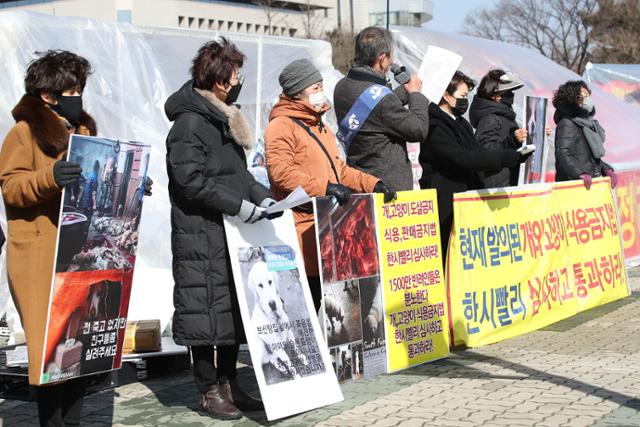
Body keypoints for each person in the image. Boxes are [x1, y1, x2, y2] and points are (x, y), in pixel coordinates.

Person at [0, 50, 151, 427]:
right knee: (50, 348)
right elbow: (10, 186)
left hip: (77, 255)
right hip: (39, 255)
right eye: (73, 89)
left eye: (80, 89)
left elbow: (98, 183)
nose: (79, 97)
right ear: (49, 95)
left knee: (80, 346)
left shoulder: (82, 133)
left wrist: (132, 187)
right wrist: (49, 177)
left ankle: (74, 421)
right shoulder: (23, 132)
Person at [165, 38, 278, 420]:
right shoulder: (190, 123)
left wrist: (263, 198)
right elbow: (189, 181)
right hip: (201, 233)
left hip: (230, 231)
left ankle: (230, 383)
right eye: (235, 74)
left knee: (231, 311)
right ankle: (208, 389)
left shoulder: (223, 118)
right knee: (204, 313)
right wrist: (238, 205)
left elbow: (239, 175)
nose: (239, 80)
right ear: (219, 80)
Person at [265, 58, 395, 311]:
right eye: (314, 88)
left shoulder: (319, 125)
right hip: (302, 229)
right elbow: (281, 172)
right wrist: (324, 188)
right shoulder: (281, 125)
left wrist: (372, 183)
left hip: (330, 229)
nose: (320, 92)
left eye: (320, 86)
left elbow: (340, 170)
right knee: (310, 303)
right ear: (296, 92)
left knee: (333, 306)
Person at [419, 71, 529, 256]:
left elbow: (480, 152)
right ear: (446, 95)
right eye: (462, 96)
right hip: (445, 204)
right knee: (448, 254)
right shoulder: (434, 126)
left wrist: (513, 152)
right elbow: (462, 158)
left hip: (466, 199)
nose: (465, 101)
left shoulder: (462, 123)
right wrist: (505, 158)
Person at [334, 27, 429, 191]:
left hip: (359, 180)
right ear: (381, 58)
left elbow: (374, 112)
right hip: (387, 187)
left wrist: (404, 91)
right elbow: (418, 129)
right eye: (391, 56)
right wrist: (415, 95)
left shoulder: (341, 87)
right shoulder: (383, 101)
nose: (392, 62)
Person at [553, 80, 618, 190]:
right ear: (572, 99)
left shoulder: (586, 124)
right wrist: (580, 173)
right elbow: (563, 153)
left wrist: (606, 169)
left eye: (588, 95)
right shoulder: (567, 123)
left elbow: (589, 157)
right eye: (584, 96)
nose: (588, 100)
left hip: (590, 184)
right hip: (574, 185)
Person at [469, 70, 528, 188]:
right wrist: (512, 140)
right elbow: (485, 152)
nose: (511, 95)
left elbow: (511, 150)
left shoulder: (504, 116)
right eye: (507, 92)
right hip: (495, 186)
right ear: (495, 96)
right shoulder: (490, 119)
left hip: (507, 182)